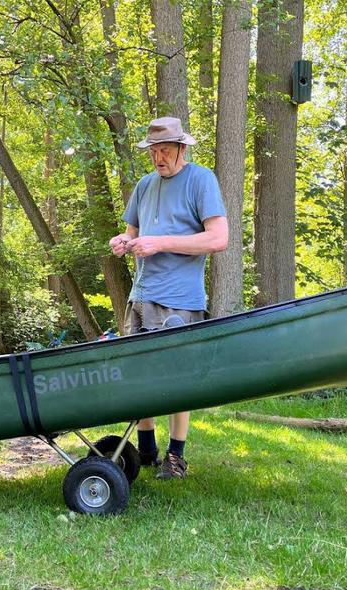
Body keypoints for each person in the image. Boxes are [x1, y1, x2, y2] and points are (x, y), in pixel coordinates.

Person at [109, 117, 228, 480]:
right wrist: (122, 242)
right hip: (141, 295)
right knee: (137, 373)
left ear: (182, 148)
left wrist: (160, 242)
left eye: (164, 151)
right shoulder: (144, 185)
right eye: (153, 151)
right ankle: (145, 450)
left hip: (180, 299)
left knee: (177, 379)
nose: (158, 158)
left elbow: (218, 239)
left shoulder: (201, 179)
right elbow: (132, 232)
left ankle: (175, 458)